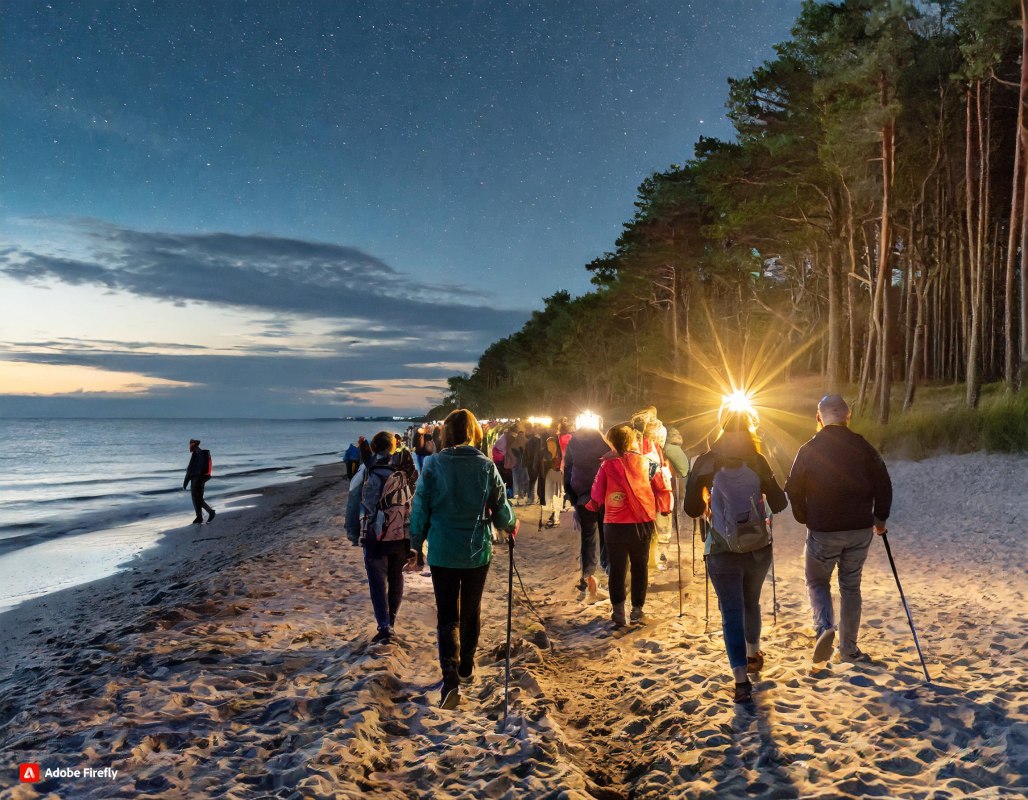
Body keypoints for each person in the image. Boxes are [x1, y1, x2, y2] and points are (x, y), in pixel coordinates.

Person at [411, 408, 517, 709]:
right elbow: (500, 505)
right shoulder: (485, 466)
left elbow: (420, 507)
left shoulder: (432, 464)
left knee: (447, 617)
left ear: (447, 433)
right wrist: (509, 525)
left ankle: (450, 680)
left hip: (443, 549)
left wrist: (415, 544)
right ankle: (467, 664)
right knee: (471, 610)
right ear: (473, 433)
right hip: (476, 549)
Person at [683, 411, 787, 703]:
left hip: (720, 549)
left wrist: (705, 494)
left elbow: (690, 509)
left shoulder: (705, 461)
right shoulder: (757, 460)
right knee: (750, 602)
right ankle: (754, 655)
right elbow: (780, 503)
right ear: (750, 428)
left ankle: (741, 682)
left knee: (731, 612)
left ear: (721, 428)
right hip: (757, 547)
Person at [785, 394, 893, 665]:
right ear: (848, 417)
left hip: (824, 530)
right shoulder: (864, 447)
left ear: (819, 418)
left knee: (817, 580)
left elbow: (793, 486)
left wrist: (803, 517)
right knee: (850, 586)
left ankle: (824, 627)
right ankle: (849, 648)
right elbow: (884, 483)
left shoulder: (809, 448)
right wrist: (879, 519)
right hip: (859, 529)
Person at [587, 424, 662, 627]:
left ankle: (618, 613)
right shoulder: (646, 462)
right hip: (643, 521)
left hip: (615, 522)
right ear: (631, 441)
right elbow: (658, 485)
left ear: (611, 442)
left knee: (618, 568)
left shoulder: (607, 465)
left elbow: (596, 494)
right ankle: (637, 610)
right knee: (640, 566)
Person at [345, 431, 416, 644]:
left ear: (374, 447)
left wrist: (353, 532)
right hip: (400, 534)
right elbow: (414, 502)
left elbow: (354, 502)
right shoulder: (405, 470)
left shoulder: (366, 470)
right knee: (396, 578)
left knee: (377, 582)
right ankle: (392, 621)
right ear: (393, 447)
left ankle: (384, 626)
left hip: (375, 535)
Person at [563, 417, 612, 593]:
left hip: (583, 496)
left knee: (588, 536)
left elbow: (568, 471)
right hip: (605, 497)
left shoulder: (573, 444)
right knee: (606, 534)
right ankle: (608, 569)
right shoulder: (604, 445)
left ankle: (588, 574)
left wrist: (572, 498)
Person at [183, 438, 214, 524]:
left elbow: (190, 469)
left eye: (191, 444)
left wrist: (185, 482)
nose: (189, 446)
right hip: (201, 477)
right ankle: (199, 517)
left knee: (196, 498)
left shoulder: (196, 453)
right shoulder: (199, 452)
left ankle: (210, 512)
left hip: (197, 478)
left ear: (194, 445)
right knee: (198, 498)